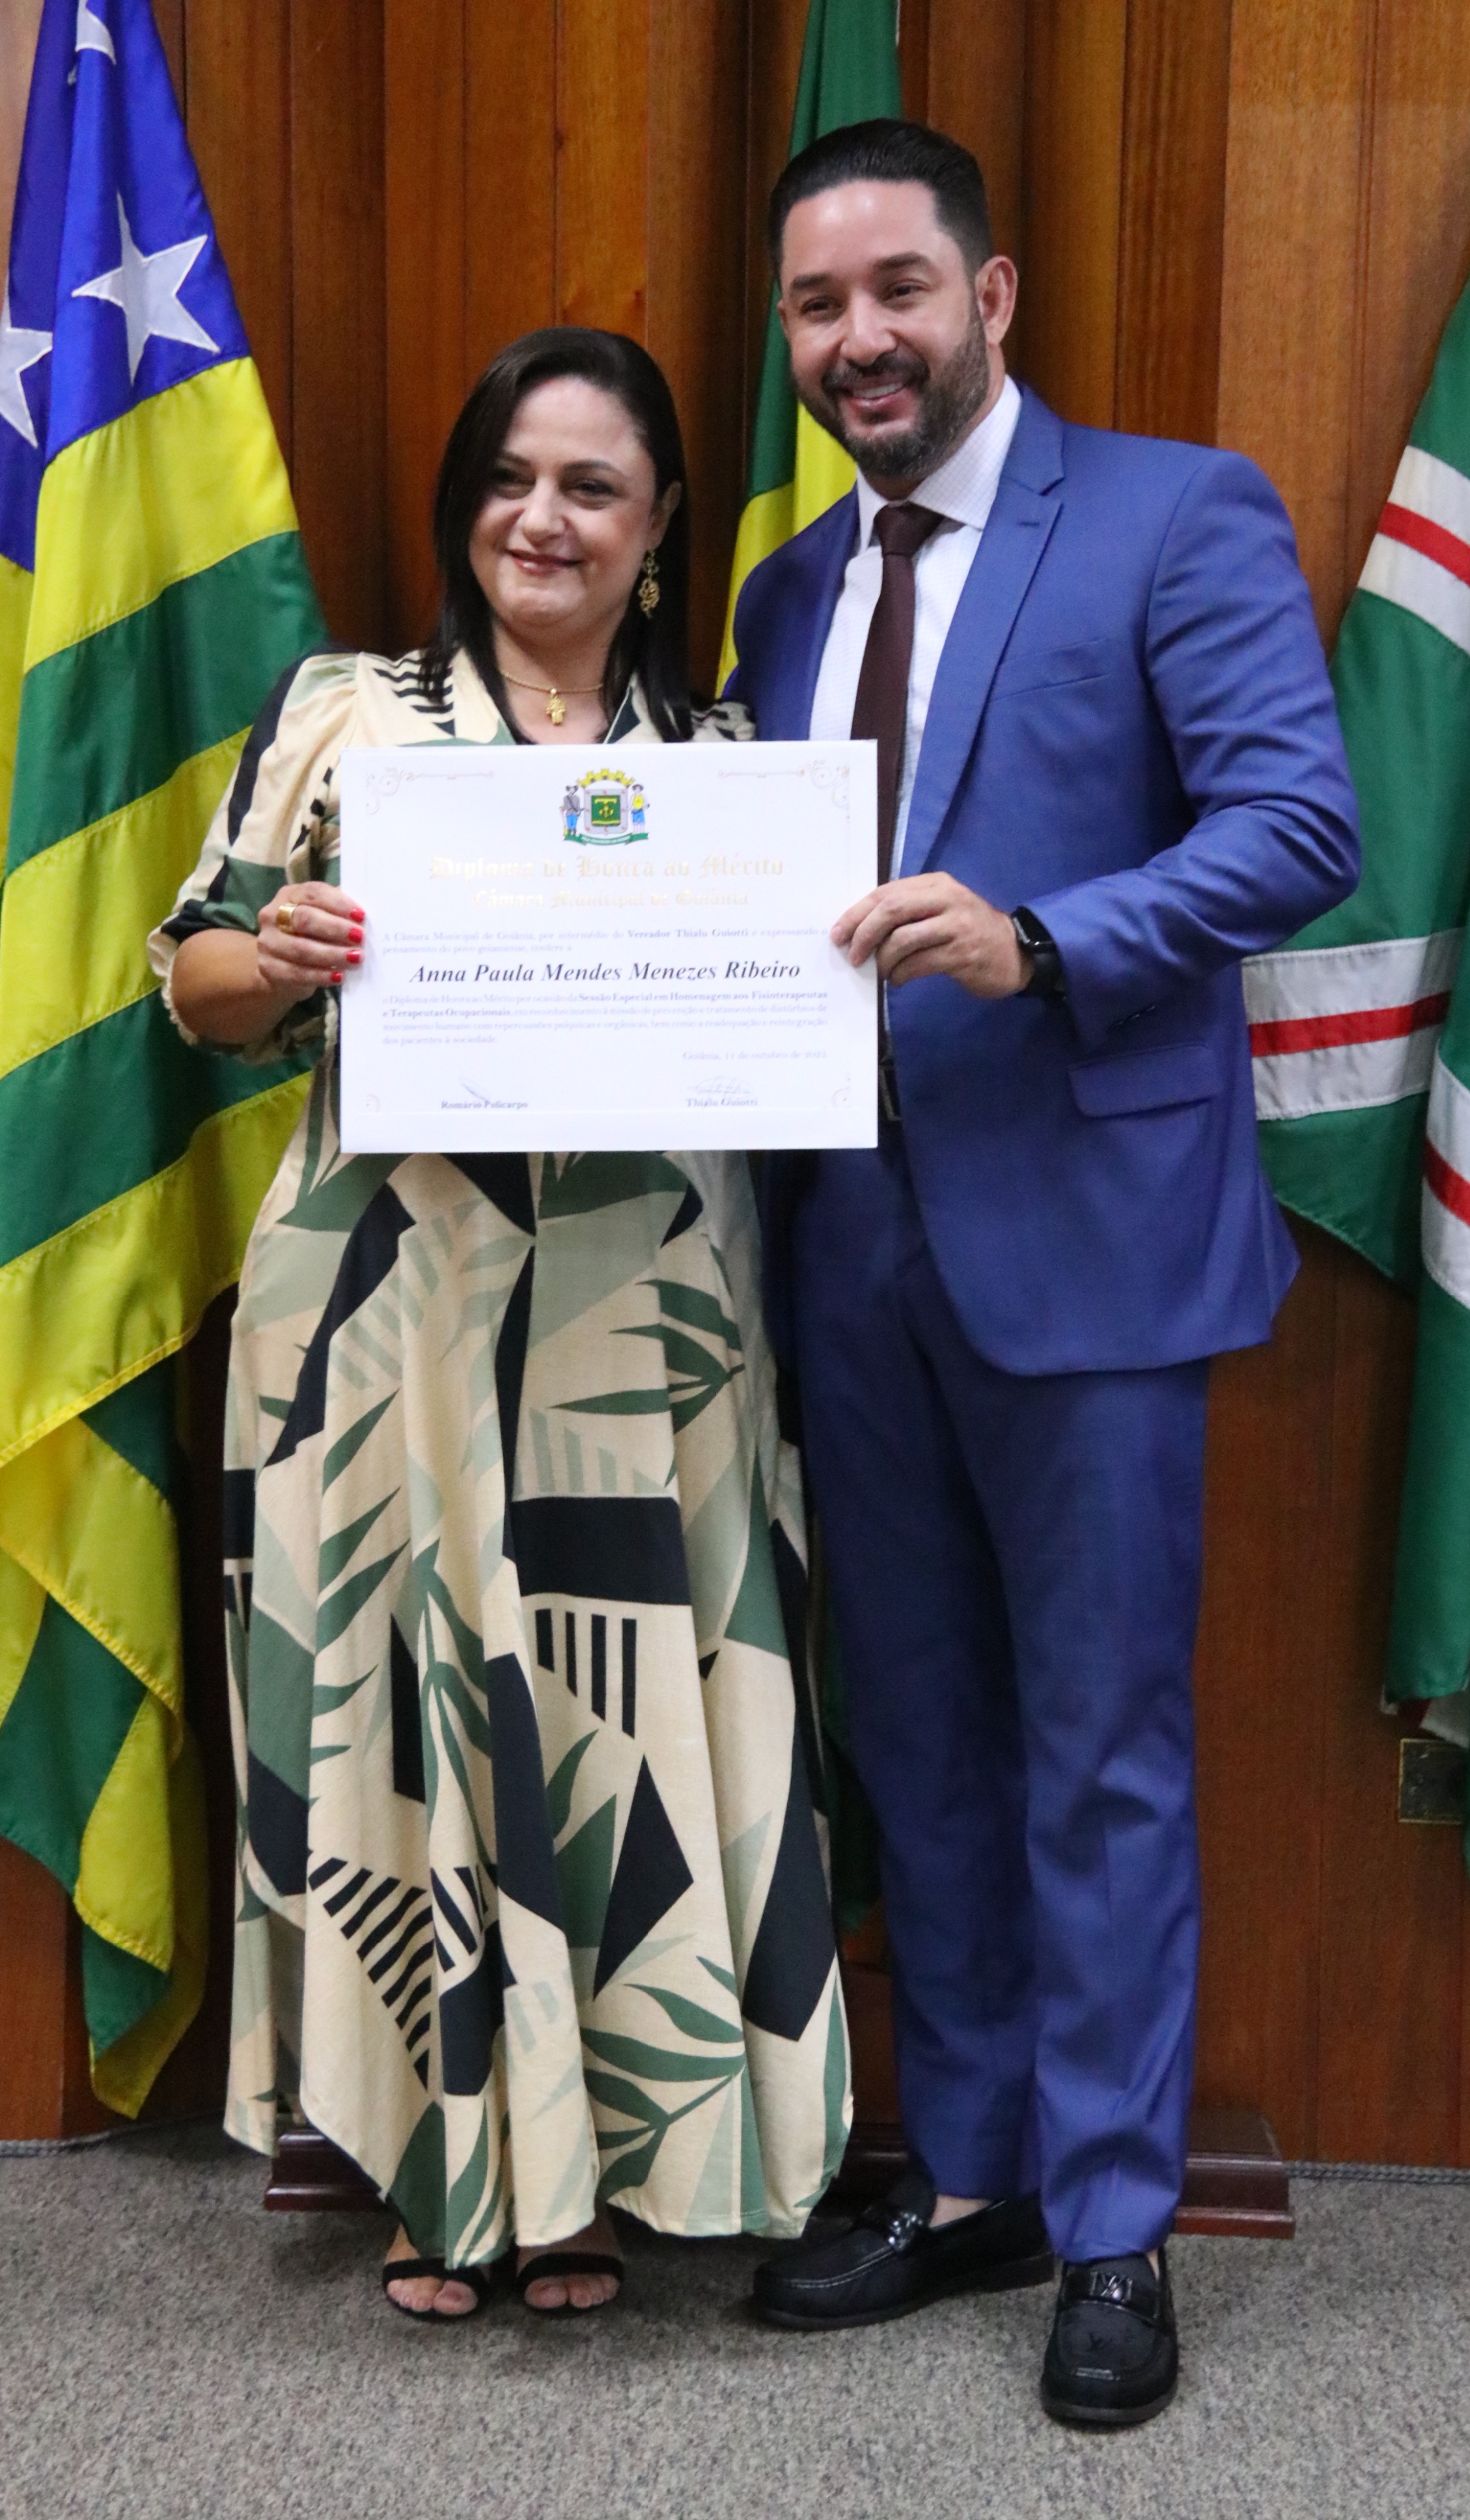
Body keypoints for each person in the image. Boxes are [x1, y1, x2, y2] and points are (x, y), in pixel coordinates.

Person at [729, 123, 1359, 2424]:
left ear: (990, 297)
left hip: (1089, 1234)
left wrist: (1046, 937)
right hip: (845, 1240)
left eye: (898, 289)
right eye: (819, 307)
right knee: (917, 1730)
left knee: (1098, 1749)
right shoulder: (786, 592)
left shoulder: (1178, 515)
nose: (861, 340)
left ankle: (1112, 2223)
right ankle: (978, 2170)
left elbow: (1300, 823)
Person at [150, 328, 848, 2323]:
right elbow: (188, 980)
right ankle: (441, 2170)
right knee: (421, 1712)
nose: (540, 519)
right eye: (509, 478)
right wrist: (276, 957)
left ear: (660, 525)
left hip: (652, 1324)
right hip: (393, 1310)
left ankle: (601, 2172)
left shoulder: (738, 768)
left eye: (590, 487)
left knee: (627, 1721)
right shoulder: (348, 715)